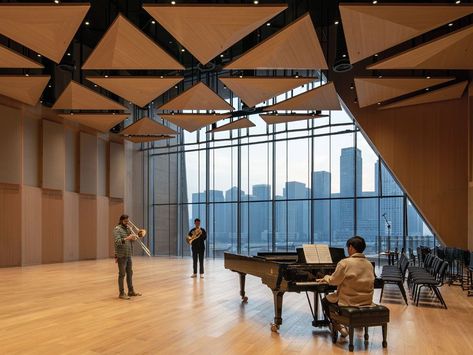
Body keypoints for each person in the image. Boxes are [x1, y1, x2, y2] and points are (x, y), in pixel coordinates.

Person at [317, 236, 375, 337]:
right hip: (366, 301)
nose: (347, 250)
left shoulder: (345, 263)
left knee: (325, 301)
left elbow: (334, 281)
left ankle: (338, 326)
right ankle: (343, 323)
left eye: (348, 247)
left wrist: (326, 277)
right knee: (333, 298)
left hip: (349, 300)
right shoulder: (369, 264)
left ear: (351, 248)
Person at [114, 214, 142, 299]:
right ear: (121, 220)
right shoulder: (117, 229)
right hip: (121, 255)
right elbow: (117, 241)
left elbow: (131, 240)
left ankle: (130, 291)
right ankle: (121, 293)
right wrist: (127, 238)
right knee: (122, 274)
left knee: (130, 273)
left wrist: (135, 237)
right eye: (125, 221)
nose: (127, 223)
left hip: (129, 254)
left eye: (128, 221)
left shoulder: (128, 229)